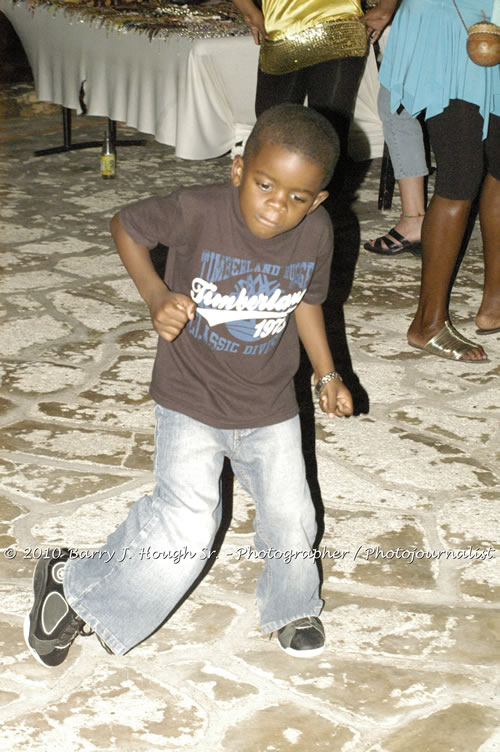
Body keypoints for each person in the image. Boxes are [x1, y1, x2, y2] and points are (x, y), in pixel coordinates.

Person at [24, 104, 354, 668]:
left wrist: (327, 373)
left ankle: (291, 604)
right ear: (238, 169)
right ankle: (72, 582)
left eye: (298, 197)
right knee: (188, 522)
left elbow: (308, 301)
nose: (278, 205)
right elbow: (125, 226)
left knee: (292, 513)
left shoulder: (316, 232)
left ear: (318, 200)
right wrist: (155, 294)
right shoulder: (198, 210)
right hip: (191, 397)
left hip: (270, 402)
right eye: (265, 184)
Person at [362, 0, 500, 360]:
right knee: (460, 173)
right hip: (448, 28)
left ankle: (495, 304)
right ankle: (428, 323)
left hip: (493, 20)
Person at [232, 0, 369, 192]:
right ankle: (270, 211)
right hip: (289, 25)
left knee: (324, 134)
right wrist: (248, 10)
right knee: (276, 131)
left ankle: (324, 215)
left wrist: (248, 10)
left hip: (332, 21)